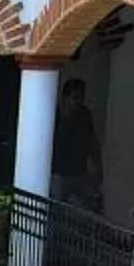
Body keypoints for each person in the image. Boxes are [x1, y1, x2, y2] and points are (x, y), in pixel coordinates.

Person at [53, 79, 104, 213]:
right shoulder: (55, 115)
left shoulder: (84, 115)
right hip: (58, 173)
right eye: (75, 97)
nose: (79, 102)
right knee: (57, 210)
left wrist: (98, 167)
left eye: (81, 97)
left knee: (93, 206)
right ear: (65, 98)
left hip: (80, 172)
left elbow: (92, 141)